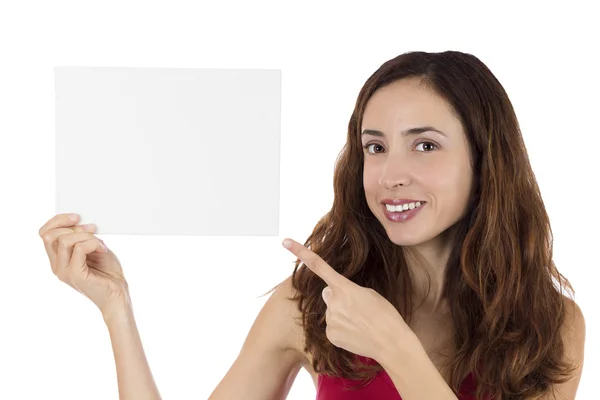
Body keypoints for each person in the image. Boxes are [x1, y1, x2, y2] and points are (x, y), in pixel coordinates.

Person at [39, 50, 586, 400]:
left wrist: (394, 347)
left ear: (485, 159)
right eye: (375, 147)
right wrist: (117, 309)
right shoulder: (308, 305)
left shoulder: (548, 324)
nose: (391, 174)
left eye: (424, 145)